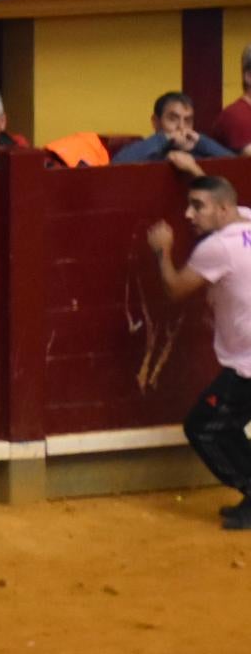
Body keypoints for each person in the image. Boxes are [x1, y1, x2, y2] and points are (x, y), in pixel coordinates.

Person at [150, 175, 251, 530]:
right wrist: (192, 169)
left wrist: (162, 251)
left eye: (198, 207)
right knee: (225, 424)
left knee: (204, 427)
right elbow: (224, 194)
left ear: (222, 209)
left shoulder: (217, 247)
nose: (188, 214)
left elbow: (176, 289)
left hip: (247, 364)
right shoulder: (246, 217)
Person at [119, 92, 234, 169]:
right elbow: (118, 164)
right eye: (172, 119)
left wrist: (200, 141)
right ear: (155, 122)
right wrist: (165, 138)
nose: (181, 127)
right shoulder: (146, 151)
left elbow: (236, 164)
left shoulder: (197, 151)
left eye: (188, 120)